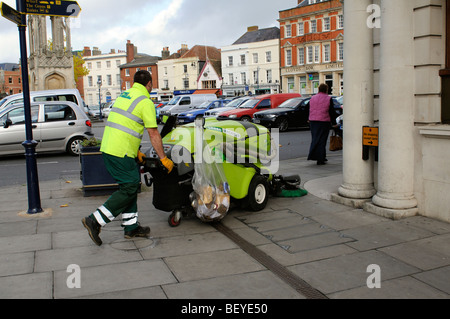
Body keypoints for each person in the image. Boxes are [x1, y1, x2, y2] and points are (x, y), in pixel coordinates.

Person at [82, 70, 174, 246]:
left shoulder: (125, 95)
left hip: (111, 147)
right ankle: (95, 220)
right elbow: (153, 132)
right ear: (149, 84)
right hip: (120, 151)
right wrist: (163, 158)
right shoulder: (145, 101)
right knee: (130, 186)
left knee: (130, 185)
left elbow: (126, 124)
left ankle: (131, 227)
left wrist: (137, 150)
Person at [307, 83, 337, 165]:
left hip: (313, 121)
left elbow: (308, 108)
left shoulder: (312, 98)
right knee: (322, 140)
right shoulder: (328, 98)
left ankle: (315, 155)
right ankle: (320, 158)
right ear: (326, 90)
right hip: (324, 121)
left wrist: (308, 118)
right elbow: (331, 111)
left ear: (319, 89)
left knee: (315, 139)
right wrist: (334, 123)